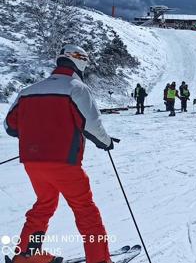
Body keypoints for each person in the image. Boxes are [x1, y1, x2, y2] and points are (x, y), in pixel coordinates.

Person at [4, 45, 115, 263]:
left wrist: (39, 136)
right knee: (85, 211)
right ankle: (99, 259)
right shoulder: (77, 87)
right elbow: (91, 124)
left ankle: (26, 256)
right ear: (80, 62)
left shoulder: (28, 91)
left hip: (33, 163)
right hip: (64, 162)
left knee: (44, 204)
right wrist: (106, 142)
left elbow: (10, 125)